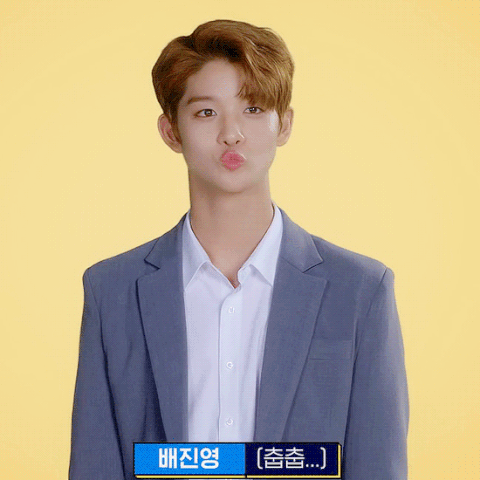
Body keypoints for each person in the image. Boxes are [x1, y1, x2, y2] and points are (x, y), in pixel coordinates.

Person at [69, 19, 408, 480]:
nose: (232, 134)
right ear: (171, 131)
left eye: (253, 108)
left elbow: (378, 464)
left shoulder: (361, 290)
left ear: (284, 124)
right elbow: (95, 464)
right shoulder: (112, 289)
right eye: (206, 112)